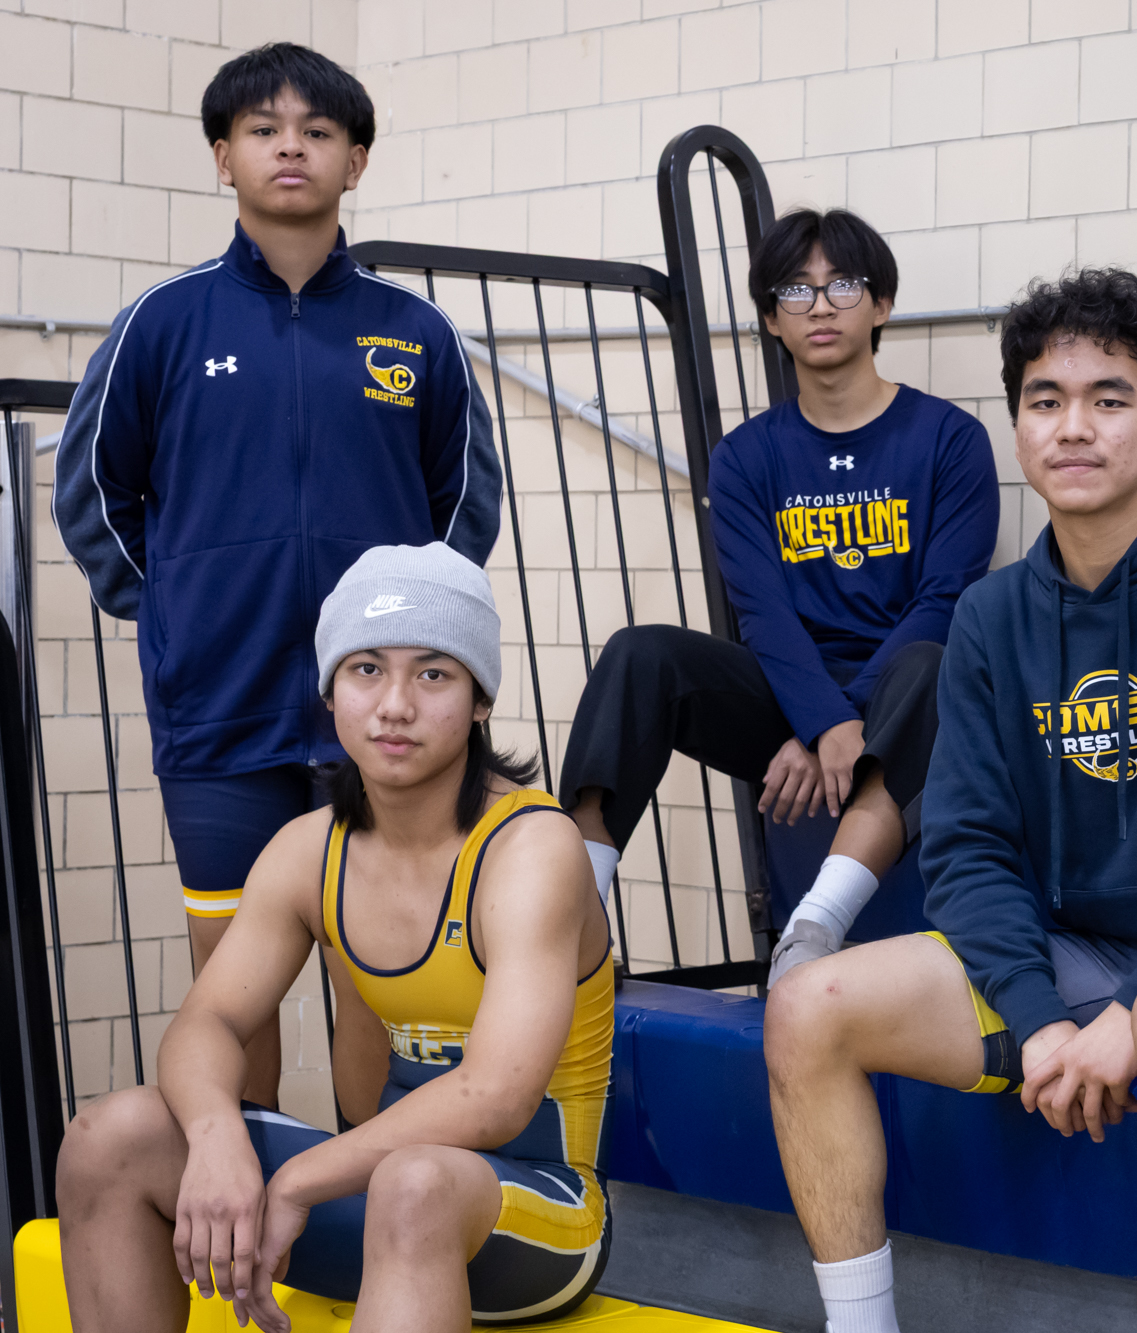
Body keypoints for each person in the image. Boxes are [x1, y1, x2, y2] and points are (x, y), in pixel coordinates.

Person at [762, 268, 1137, 1333]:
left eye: (1108, 399)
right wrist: (1039, 1021)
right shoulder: (990, 617)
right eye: (1044, 401)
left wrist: (1135, 1008)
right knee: (806, 1006)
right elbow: (967, 844)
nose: (1071, 427)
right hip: (1075, 954)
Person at [53, 42, 501, 1108]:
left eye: (317, 130)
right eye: (262, 129)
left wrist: (406, 649)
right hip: (221, 706)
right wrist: (173, 615)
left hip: (377, 716)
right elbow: (92, 498)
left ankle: (356, 1204)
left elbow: (463, 512)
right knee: (233, 987)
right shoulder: (162, 324)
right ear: (222, 157)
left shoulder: (417, 333)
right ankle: (246, 1215)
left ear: (356, 161)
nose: (289, 146)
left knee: (374, 978)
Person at [53, 543, 612, 1333]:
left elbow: (495, 1098)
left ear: (481, 699)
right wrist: (215, 1138)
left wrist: (298, 1177)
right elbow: (204, 1024)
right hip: (382, 1194)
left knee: (413, 1185)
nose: (394, 705)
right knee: (109, 1137)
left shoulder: (531, 847)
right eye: (366, 669)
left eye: (432, 673)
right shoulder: (309, 849)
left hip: (539, 1215)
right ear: (329, 690)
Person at [558, 206, 998, 983]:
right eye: (796, 291)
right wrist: (819, 720)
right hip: (791, 692)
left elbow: (945, 598)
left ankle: (814, 926)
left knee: (931, 657)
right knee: (640, 656)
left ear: (882, 304)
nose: (821, 305)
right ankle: (565, 921)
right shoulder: (745, 458)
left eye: (843, 285)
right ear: (770, 319)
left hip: (909, 692)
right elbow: (762, 612)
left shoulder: (950, 440)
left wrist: (839, 720)